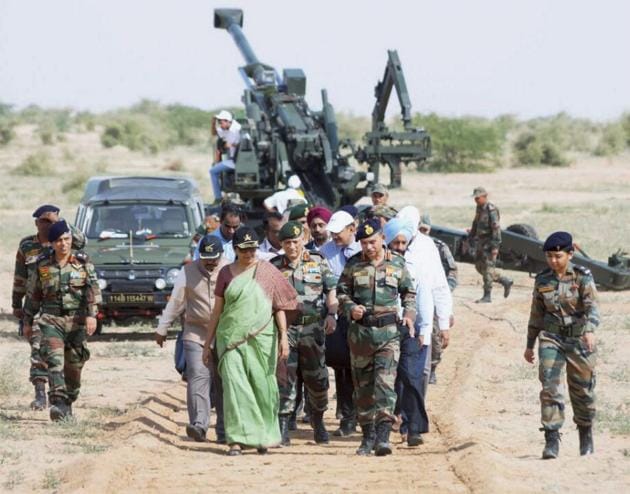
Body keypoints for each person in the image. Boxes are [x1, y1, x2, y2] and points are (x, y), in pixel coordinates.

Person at [202, 227, 298, 456]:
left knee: (263, 387)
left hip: (263, 338)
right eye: (244, 250)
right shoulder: (225, 274)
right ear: (235, 249)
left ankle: (263, 437)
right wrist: (208, 343)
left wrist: (284, 337)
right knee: (235, 388)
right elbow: (217, 311)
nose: (249, 254)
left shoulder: (267, 271)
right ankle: (236, 439)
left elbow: (280, 307)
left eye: (253, 249)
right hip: (230, 338)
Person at [337, 218, 416, 456]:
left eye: (372, 242)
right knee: (362, 389)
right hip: (361, 336)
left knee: (385, 384)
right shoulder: (353, 265)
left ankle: (383, 437)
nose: (368, 247)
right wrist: (350, 307)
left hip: (388, 335)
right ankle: (367, 436)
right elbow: (341, 293)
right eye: (364, 243)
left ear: (382, 238)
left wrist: (410, 315)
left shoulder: (397, 264)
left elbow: (408, 293)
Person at [524, 231, 599, 459]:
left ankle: (585, 432)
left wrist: (589, 330)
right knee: (549, 387)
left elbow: (592, 308)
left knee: (582, 391)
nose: (553, 261)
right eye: (549, 256)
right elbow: (536, 314)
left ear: (570, 254)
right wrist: (529, 344)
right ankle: (551, 438)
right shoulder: (543, 279)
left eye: (558, 256)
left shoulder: (582, 277)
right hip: (551, 337)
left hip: (579, 339)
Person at [22, 221, 101, 421]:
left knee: (74, 367)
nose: (63, 244)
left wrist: (92, 315)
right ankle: (57, 402)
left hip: (77, 320)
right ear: (52, 243)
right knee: (55, 361)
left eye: (66, 239)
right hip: (51, 318)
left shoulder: (82, 263)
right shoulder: (43, 264)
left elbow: (93, 291)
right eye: (59, 241)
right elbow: (33, 295)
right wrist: (27, 321)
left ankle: (67, 401)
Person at [12, 204, 86, 411]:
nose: (48, 225)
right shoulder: (27, 245)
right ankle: (40, 394)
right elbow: (20, 276)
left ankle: (62, 396)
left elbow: (82, 241)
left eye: (51, 221)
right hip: (36, 306)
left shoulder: (62, 240)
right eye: (44, 221)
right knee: (38, 348)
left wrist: (62, 224)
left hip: (60, 307)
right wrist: (17, 305)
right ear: (36, 223)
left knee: (66, 357)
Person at [155, 235, 228, 443]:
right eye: (206, 257)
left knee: (224, 382)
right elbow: (176, 302)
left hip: (224, 335)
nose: (210, 262)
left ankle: (224, 429)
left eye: (214, 258)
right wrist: (162, 328)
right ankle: (199, 425)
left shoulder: (230, 270)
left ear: (221, 255)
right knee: (198, 375)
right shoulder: (187, 272)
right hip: (196, 334)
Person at [271, 221, 338, 446]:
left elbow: (331, 289)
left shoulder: (317, 262)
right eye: (287, 243)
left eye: (296, 241)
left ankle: (318, 421)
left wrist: (332, 314)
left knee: (317, 378)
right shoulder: (273, 266)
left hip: (313, 329)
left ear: (303, 240)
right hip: (285, 330)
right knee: (284, 377)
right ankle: (283, 425)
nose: (292, 247)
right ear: (281, 243)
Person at [384, 218, 433, 447]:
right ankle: (385, 424)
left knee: (411, 377)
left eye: (404, 242)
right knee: (386, 380)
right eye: (396, 243)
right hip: (382, 329)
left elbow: (424, 298)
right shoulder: (377, 265)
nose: (400, 247)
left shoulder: (414, 266)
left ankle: (413, 428)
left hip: (410, 330)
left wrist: (425, 329)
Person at [397, 206, 453, 399]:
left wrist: (444, 323)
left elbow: (439, 286)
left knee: (421, 371)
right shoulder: (389, 243)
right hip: (395, 319)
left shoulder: (427, 246)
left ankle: (413, 414)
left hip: (423, 319)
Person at [319, 210, 361, 437]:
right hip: (337, 318)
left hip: (361, 318)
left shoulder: (365, 250)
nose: (335, 237)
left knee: (364, 370)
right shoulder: (324, 252)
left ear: (352, 229)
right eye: (332, 233)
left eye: (339, 233)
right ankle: (347, 418)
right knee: (343, 368)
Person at [419, 213, 458, 385]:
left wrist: (444, 292)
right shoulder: (408, 245)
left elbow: (452, 271)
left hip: (435, 297)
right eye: (419, 229)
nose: (422, 232)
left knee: (435, 335)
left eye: (425, 229)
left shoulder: (439, 246)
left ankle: (432, 367)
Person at [469, 187, 513, 303]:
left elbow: (496, 229)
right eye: (475, 198)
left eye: (478, 198)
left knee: (488, 268)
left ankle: (487, 296)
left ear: (485, 196)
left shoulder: (491, 210)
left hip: (489, 243)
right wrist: (471, 236)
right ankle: (504, 280)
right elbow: (475, 223)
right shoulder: (479, 208)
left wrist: (495, 247)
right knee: (479, 266)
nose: (476, 200)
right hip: (481, 242)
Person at [209, 110, 242, 202]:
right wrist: (213, 123)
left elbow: (246, 144)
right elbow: (214, 133)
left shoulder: (238, 129)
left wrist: (232, 145)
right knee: (216, 167)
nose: (220, 125)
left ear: (228, 121)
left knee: (213, 171)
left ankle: (218, 198)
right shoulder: (226, 129)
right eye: (219, 122)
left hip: (237, 161)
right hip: (232, 159)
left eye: (221, 122)